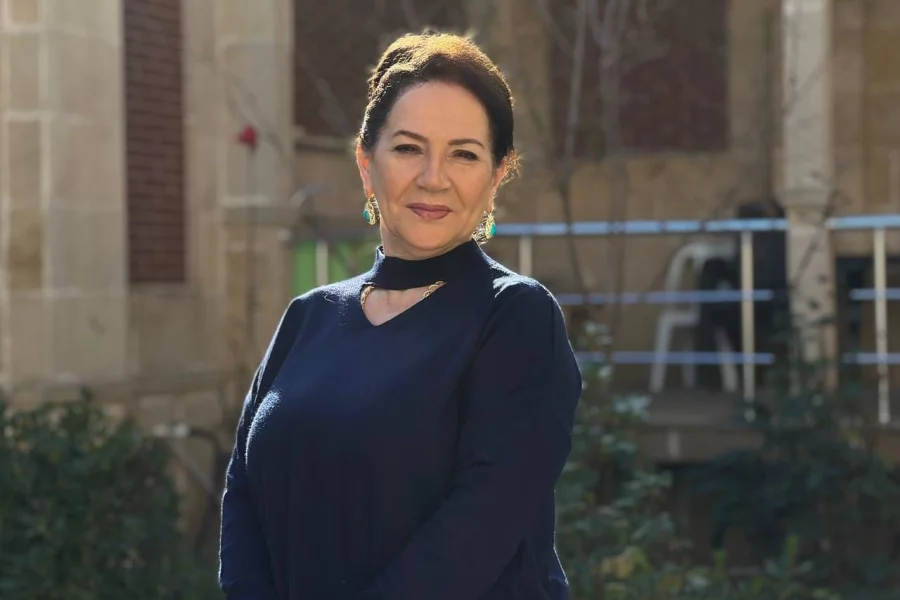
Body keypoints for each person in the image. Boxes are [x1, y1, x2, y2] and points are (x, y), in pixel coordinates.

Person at [218, 31, 584, 600]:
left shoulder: (514, 317)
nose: (433, 177)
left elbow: (477, 530)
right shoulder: (307, 318)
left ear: (496, 176)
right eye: (409, 148)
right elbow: (242, 493)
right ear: (367, 164)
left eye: (464, 154)